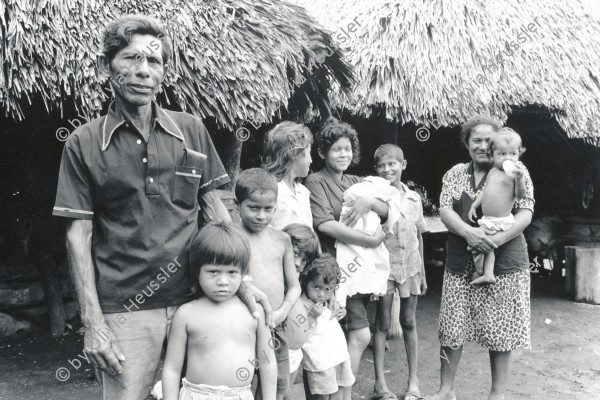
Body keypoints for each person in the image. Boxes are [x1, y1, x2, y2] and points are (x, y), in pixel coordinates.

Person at [52, 15, 271, 399]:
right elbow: (78, 234)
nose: (143, 71)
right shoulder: (83, 143)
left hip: (196, 296)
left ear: (164, 71)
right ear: (107, 66)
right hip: (125, 307)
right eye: (131, 59)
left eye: (154, 62)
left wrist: (244, 282)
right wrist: (92, 321)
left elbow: (216, 209)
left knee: (208, 393)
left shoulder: (190, 129)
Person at [428, 116, 534, 400]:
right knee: (452, 327)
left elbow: (526, 211)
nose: (484, 146)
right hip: (459, 259)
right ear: (466, 143)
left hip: (505, 261)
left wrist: (495, 240)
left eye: (490, 141)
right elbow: (445, 209)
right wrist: (468, 233)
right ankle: (445, 390)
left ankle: (496, 394)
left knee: (500, 330)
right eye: (477, 140)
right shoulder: (456, 173)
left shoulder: (515, 171)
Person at [304, 117, 387, 391]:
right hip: (333, 270)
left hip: (359, 269)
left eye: (348, 149)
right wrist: (370, 241)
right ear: (322, 152)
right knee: (358, 334)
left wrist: (370, 201)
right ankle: (342, 393)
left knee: (347, 335)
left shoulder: (356, 180)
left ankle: (341, 392)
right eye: (336, 149)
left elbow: (389, 211)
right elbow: (325, 224)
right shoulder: (315, 181)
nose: (343, 154)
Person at [162, 223, 277, 400]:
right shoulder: (186, 314)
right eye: (213, 272)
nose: (223, 281)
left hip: (239, 396)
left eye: (232, 272)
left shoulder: (255, 312)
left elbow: (267, 362)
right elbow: (172, 368)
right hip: (196, 395)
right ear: (197, 271)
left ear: (243, 273)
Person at [235, 168, 301, 400]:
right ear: (238, 205)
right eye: (253, 208)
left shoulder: (281, 240)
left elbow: (294, 285)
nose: (261, 216)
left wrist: (283, 311)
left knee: (275, 388)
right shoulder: (231, 238)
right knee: (236, 383)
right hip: (240, 328)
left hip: (275, 329)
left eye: (268, 209)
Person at [372, 144, 428, 400]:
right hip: (385, 270)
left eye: (392, 164)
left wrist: (423, 272)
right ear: (375, 169)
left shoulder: (414, 198)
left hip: (411, 267)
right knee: (383, 323)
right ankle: (380, 384)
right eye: (382, 165)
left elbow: (418, 235)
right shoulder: (375, 198)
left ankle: (413, 382)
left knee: (408, 321)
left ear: (403, 165)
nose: (387, 169)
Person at [467, 128, 528, 285]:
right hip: (488, 218)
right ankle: (483, 271)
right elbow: (484, 190)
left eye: (512, 154)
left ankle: (486, 272)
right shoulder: (493, 170)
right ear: (491, 155)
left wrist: (520, 179)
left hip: (500, 220)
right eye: (502, 154)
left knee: (486, 246)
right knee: (482, 246)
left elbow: (520, 195)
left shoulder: (515, 174)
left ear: (519, 154)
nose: (508, 158)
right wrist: (474, 205)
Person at [300, 254, 354, 400]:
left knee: (339, 392)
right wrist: (311, 317)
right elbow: (299, 333)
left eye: (327, 289)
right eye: (316, 287)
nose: (321, 294)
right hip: (319, 362)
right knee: (321, 397)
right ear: (306, 282)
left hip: (338, 355)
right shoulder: (301, 304)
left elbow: (332, 318)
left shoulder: (329, 300)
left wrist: (342, 312)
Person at [280, 223, 321, 399]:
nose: (298, 263)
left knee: (286, 393)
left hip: (295, 353)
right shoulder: (276, 280)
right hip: (279, 350)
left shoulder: (299, 278)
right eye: (295, 255)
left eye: (304, 260)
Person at [262, 121, 314, 230]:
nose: (311, 160)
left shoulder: (303, 192)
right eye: (308, 152)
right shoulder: (272, 192)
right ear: (294, 154)